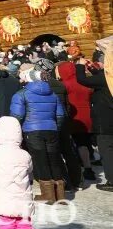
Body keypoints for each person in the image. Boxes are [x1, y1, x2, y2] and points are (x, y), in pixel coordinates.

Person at [10, 67, 66, 203]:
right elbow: (60, 115)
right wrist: (55, 128)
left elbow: (17, 115)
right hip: (51, 129)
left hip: (32, 130)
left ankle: (48, 195)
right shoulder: (53, 94)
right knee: (54, 159)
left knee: (40, 160)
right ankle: (60, 195)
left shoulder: (21, 94)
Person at [75, 46, 113, 192]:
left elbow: (82, 80)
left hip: (105, 122)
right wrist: (92, 68)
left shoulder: (105, 78)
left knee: (107, 151)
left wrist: (79, 65)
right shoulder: (107, 78)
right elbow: (100, 78)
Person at [42, 58, 83, 191]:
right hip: (63, 121)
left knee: (54, 153)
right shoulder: (60, 85)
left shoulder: (41, 86)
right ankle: (77, 180)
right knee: (68, 151)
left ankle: (64, 182)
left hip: (49, 121)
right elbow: (67, 106)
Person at [57, 56, 95, 181]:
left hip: (73, 116)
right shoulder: (85, 82)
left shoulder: (64, 84)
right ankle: (90, 163)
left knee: (75, 144)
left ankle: (82, 168)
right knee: (85, 142)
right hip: (88, 114)